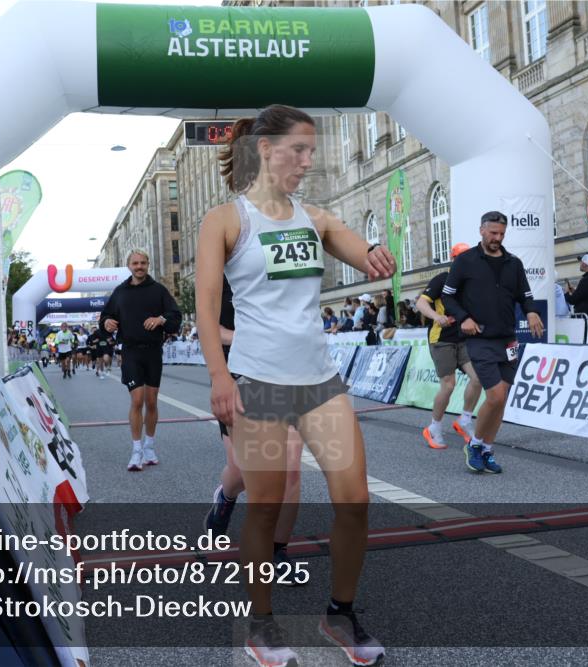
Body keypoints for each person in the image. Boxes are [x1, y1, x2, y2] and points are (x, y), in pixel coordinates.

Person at [196, 104, 393, 667]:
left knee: (354, 500)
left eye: (311, 151)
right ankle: (261, 623)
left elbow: (356, 247)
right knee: (265, 506)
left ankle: (340, 614)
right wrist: (217, 377)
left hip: (320, 383)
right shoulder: (226, 220)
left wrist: (375, 256)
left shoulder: (317, 217)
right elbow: (207, 307)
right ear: (264, 149)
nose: (308, 161)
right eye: (298, 150)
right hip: (260, 382)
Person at [204, 276, 306, 585]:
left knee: (290, 465)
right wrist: (253, 338)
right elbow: (210, 332)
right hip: (237, 378)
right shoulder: (216, 277)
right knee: (243, 471)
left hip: (283, 376)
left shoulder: (280, 266)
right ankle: (226, 497)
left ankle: (277, 552)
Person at [441, 211, 544, 475]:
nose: (497, 238)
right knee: (495, 395)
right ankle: (474, 445)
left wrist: (531, 311)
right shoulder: (465, 261)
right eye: (493, 233)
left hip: (508, 339)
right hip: (480, 339)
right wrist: (463, 318)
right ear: (482, 231)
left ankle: (487, 448)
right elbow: (448, 297)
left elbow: (526, 295)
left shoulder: (514, 263)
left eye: (501, 234)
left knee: (502, 399)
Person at [100, 249, 181, 471]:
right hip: (131, 352)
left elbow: (175, 316)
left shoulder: (159, 290)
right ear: (129, 266)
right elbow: (106, 317)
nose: (139, 266)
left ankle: (150, 446)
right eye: (135, 263)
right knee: (137, 400)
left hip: (153, 351)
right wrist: (107, 323)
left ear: (148, 265)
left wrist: (161, 319)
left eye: (143, 263)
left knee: (152, 402)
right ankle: (136, 450)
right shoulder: (120, 292)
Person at [415, 242, 483, 449]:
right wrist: (437, 316)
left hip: (463, 339)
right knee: (449, 384)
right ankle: (434, 428)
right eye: (462, 258)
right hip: (441, 339)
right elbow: (420, 303)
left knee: (479, 378)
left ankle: (464, 420)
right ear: (454, 260)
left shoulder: (473, 283)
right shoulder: (442, 279)